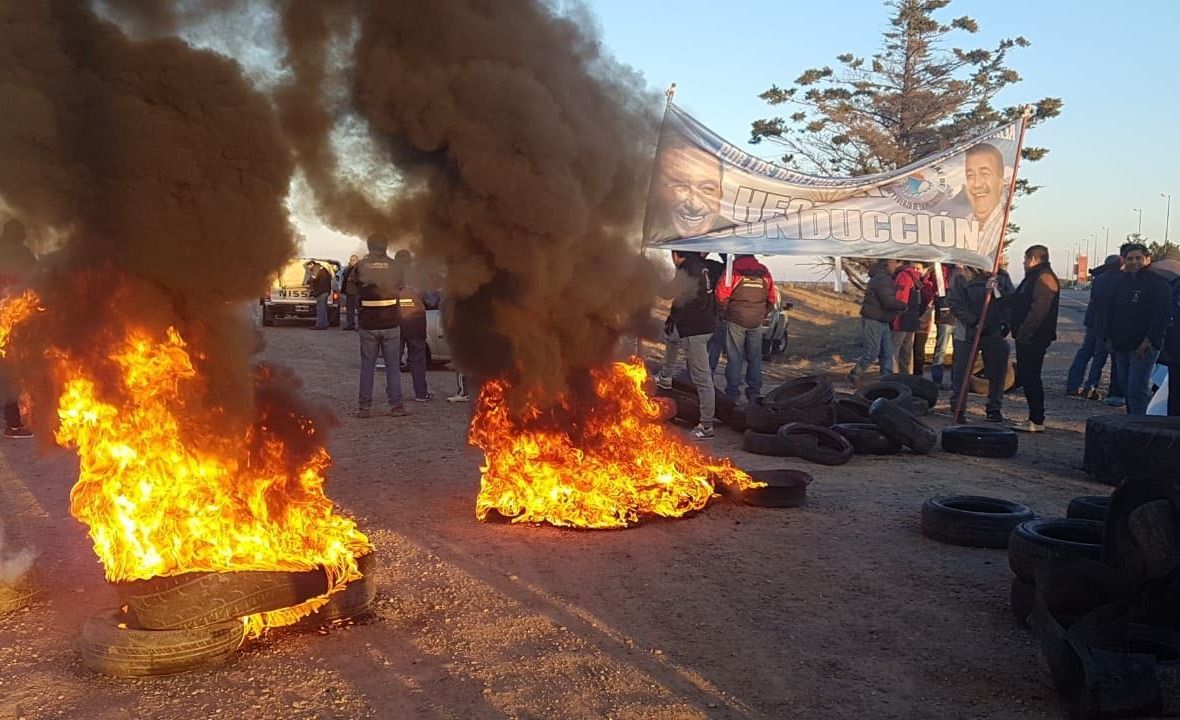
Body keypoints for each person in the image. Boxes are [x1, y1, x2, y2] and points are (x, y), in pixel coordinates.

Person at [656, 250, 718, 440]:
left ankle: (706, 426)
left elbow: (667, 292)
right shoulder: (702, 265)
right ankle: (666, 376)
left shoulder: (687, 269)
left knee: (702, 378)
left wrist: (651, 280)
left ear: (676, 255)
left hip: (695, 329)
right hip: (702, 324)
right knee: (670, 336)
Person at [1105, 242, 1172, 415]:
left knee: (1137, 388)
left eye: (1138, 258)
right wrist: (1108, 337)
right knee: (1126, 386)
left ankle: (1141, 426)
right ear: (1124, 260)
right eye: (1130, 259)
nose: (1134, 262)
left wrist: (1149, 340)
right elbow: (1110, 312)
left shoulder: (1158, 285)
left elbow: (1161, 317)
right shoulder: (1120, 284)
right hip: (1121, 344)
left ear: (1147, 259)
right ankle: (1131, 420)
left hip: (1143, 346)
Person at [346, 234, 407, 418]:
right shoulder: (395, 266)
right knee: (393, 367)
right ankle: (396, 406)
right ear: (386, 246)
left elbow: (350, 291)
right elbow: (401, 287)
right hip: (391, 323)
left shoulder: (360, 266)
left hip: (368, 324)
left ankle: (364, 408)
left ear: (369, 246)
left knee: (367, 367)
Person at [947, 265, 1014, 422]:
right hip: (968, 333)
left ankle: (994, 408)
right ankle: (958, 408)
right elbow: (955, 303)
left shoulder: (1002, 276)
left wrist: (1006, 322)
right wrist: (975, 322)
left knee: (998, 372)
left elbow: (1010, 301)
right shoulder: (962, 275)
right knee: (962, 373)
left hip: (994, 331)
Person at [1009, 245, 1060, 433]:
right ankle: (1034, 417)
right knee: (1027, 375)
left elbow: (1039, 310)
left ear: (1033, 259)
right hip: (1027, 336)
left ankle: (1037, 419)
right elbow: (1017, 300)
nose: (1022, 263)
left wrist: (1025, 331)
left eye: (1025, 259)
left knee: (1031, 377)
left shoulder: (1044, 278)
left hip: (1034, 337)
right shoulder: (1032, 278)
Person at [715, 254, 778, 404]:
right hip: (756, 321)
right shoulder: (764, 272)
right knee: (755, 357)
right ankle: (754, 393)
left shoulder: (733, 271)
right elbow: (772, 299)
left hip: (735, 320)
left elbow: (720, 295)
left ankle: (732, 394)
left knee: (735, 357)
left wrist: (724, 313)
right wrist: (762, 314)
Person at [650, 138, 728, 240]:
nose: (695, 205)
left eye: (707, 189)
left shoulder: (736, 237)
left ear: (721, 193)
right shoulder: (633, 233)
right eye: (681, 188)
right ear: (656, 188)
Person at [1066, 254, 1121, 400]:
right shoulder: (1121, 279)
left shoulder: (1100, 279)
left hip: (1092, 321)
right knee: (1100, 356)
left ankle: (1072, 385)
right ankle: (1090, 387)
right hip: (1106, 323)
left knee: (1085, 353)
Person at [0, 219, 35, 439]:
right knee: (12, 374)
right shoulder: (23, 255)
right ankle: (13, 425)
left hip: (7, 320)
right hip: (13, 321)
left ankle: (13, 419)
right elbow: (39, 282)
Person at [848, 259, 906, 388]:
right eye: (897, 262)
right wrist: (904, 306)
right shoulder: (882, 279)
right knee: (872, 352)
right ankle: (855, 373)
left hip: (880, 318)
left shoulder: (882, 278)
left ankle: (887, 381)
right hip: (874, 319)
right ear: (888, 263)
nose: (899, 265)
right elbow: (889, 302)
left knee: (887, 352)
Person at [393, 249, 431, 402]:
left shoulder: (390, 275)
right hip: (416, 322)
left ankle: (395, 395)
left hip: (396, 322)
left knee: (393, 361)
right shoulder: (419, 276)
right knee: (417, 360)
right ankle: (421, 393)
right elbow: (430, 299)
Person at [963, 143, 1007, 254]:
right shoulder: (960, 225)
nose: (977, 184)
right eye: (970, 176)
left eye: (985, 174)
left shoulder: (1004, 225)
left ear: (1000, 181)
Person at [890, 261, 925, 375]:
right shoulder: (916, 278)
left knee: (894, 350)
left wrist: (895, 316)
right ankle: (907, 377)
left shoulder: (903, 276)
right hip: (912, 319)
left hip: (902, 318)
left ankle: (893, 377)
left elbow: (901, 298)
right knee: (907, 351)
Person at [928, 263, 956, 388]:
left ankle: (954, 381)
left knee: (954, 351)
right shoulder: (940, 271)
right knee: (941, 350)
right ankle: (938, 381)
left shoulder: (943, 270)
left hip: (955, 317)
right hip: (947, 317)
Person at [702, 254, 727, 374]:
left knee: (699, 347)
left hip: (703, 312)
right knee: (715, 346)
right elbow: (729, 265)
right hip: (717, 312)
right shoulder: (722, 269)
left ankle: (695, 376)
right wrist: (722, 251)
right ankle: (709, 374)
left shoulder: (700, 267)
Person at [912, 263, 936, 376]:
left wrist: (924, 319)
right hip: (911, 319)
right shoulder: (910, 281)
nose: (915, 270)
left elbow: (930, 305)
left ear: (925, 269)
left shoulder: (928, 285)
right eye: (914, 268)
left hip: (923, 322)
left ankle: (918, 375)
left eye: (918, 268)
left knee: (919, 350)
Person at [305, 260, 333, 330]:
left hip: (321, 291)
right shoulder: (322, 268)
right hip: (325, 291)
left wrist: (308, 282)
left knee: (320, 309)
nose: (308, 268)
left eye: (308, 266)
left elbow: (313, 278)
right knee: (323, 309)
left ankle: (319, 325)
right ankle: (325, 323)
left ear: (312, 264)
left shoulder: (316, 268)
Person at [339, 254, 360, 331]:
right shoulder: (348, 268)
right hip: (349, 291)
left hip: (356, 292)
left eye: (353, 260)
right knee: (349, 309)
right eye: (351, 260)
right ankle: (350, 324)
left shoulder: (359, 268)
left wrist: (352, 279)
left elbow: (361, 278)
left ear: (357, 260)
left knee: (359, 310)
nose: (351, 261)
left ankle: (360, 325)